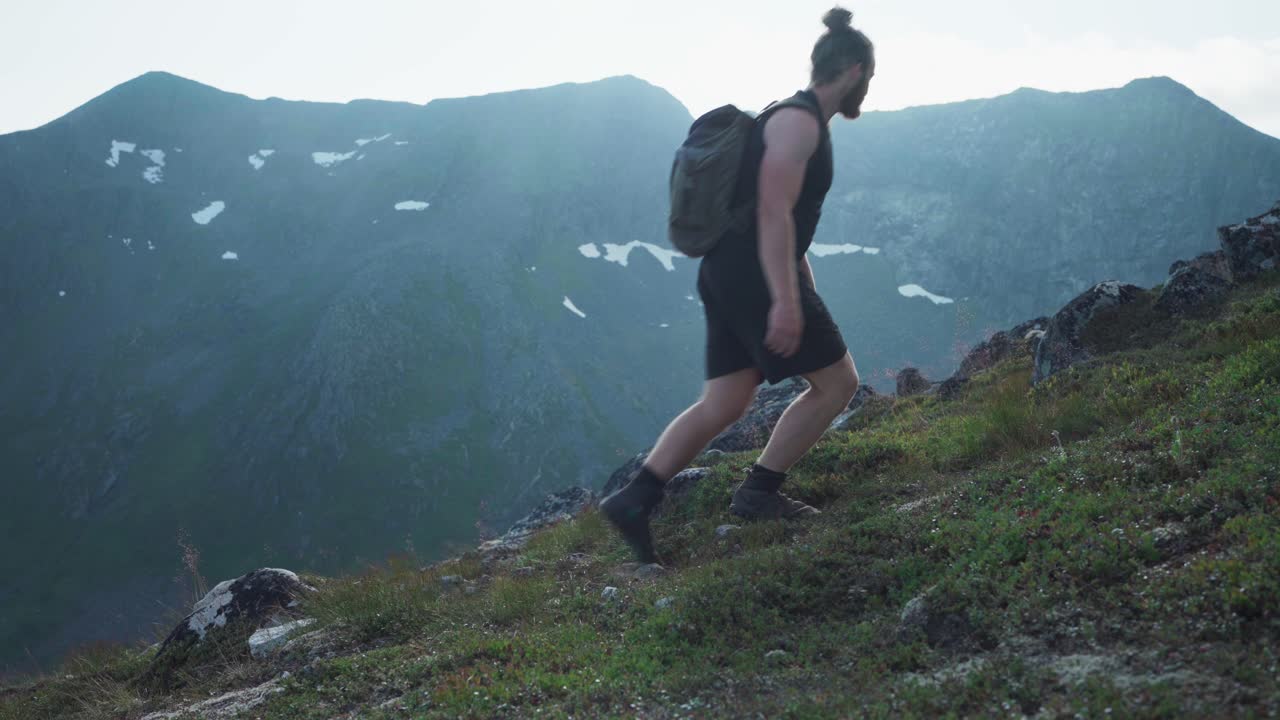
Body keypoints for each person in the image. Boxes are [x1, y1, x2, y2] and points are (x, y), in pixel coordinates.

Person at [600, 6, 873, 565]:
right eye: (867, 76)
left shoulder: (789, 116)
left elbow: (781, 219)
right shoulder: (799, 123)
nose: (866, 88)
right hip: (751, 271)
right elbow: (773, 213)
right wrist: (787, 302)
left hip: (727, 269)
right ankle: (759, 493)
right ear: (851, 70)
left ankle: (635, 498)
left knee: (725, 399)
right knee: (837, 383)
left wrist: (800, 280)